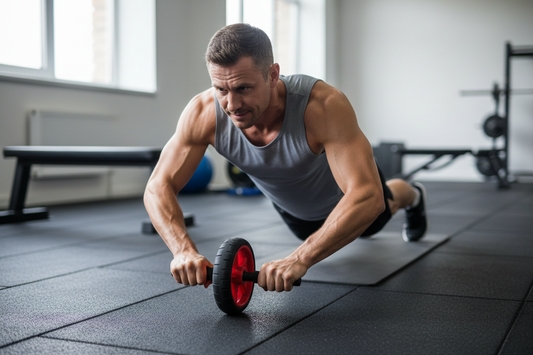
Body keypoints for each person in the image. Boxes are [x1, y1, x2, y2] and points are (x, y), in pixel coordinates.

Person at [144, 23, 428, 293]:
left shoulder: (322, 106)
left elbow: (366, 196)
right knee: (304, 231)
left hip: (348, 200)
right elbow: (159, 186)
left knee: (380, 211)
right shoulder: (202, 114)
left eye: (243, 88)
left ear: (272, 74)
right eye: (221, 89)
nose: (232, 105)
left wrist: (301, 258)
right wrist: (182, 250)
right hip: (296, 213)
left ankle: (412, 194)